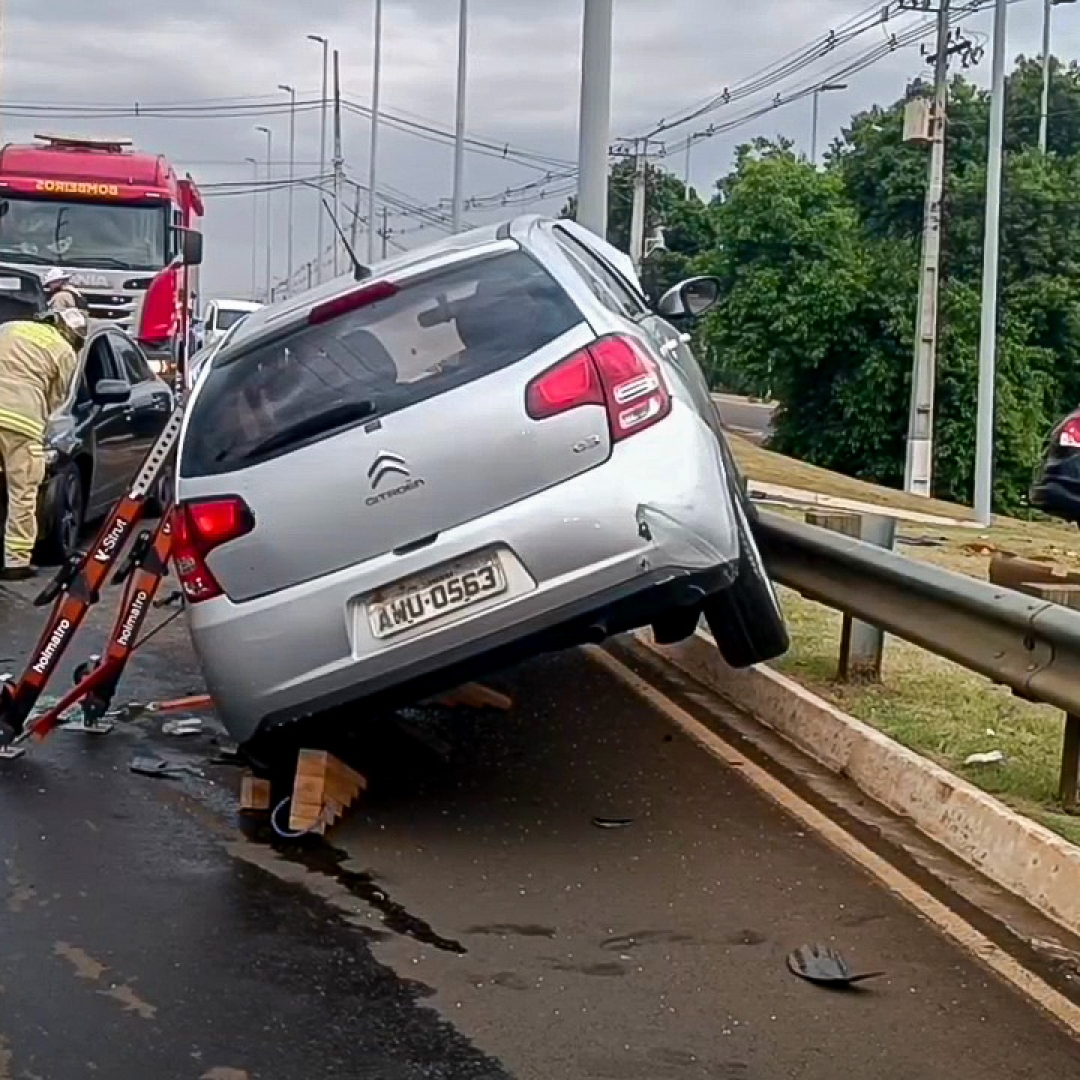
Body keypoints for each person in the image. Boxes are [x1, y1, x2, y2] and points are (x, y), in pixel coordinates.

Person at [0, 307, 87, 580]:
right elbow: (57, 399)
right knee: (23, 493)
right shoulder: (64, 352)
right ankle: (16, 562)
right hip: (21, 423)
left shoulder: (10, 327)